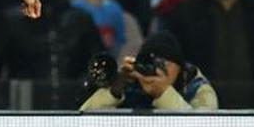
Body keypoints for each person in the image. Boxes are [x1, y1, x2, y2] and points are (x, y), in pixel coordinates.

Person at [80, 30, 218, 111]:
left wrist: (163, 94)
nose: (159, 69)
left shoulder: (197, 87)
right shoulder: (133, 83)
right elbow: (80, 121)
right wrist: (114, 90)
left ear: (179, 67)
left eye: (165, 62)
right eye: (153, 62)